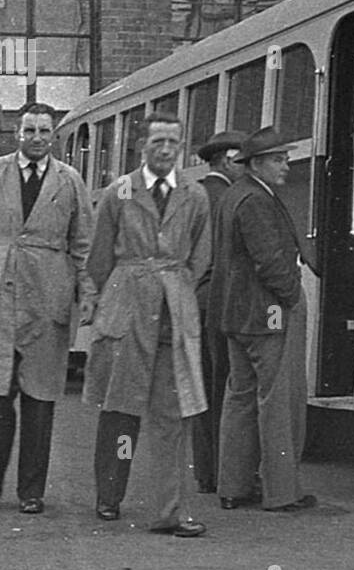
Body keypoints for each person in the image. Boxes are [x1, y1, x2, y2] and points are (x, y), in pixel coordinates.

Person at [0, 102, 95, 514]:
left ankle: (31, 491)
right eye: (30, 130)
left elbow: (83, 243)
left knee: (40, 398)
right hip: (0, 295)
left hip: (49, 294)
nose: (38, 138)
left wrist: (87, 292)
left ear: (53, 137)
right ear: (17, 133)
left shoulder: (70, 181)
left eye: (45, 131)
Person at [86, 111, 212, 537]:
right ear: (142, 146)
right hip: (128, 311)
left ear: (181, 147)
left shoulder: (195, 195)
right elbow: (99, 258)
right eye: (157, 141)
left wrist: (175, 288)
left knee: (173, 415)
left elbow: (201, 258)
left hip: (173, 317)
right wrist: (121, 295)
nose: (164, 150)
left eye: (172, 143)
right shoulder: (118, 193)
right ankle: (109, 495)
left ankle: (169, 512)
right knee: (120, 409)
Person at [210, 126, 315, 512]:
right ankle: (281, 492)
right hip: (268, 312)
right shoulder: (257, 199)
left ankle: (233, 488)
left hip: (237, 314)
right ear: (256, 163)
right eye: (277, 159)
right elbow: (270, 261)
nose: (285, 165)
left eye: (285, 157)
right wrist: (291, 297)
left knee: (240, 398)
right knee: (277, 401)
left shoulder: (234, 195)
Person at [190, 129, 246, 493]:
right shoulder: (229, 198)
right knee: (226, 387)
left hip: (197, 299)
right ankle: (225, 473)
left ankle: (205, 472)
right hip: (221, 300)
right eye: (243, 160)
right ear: (226, 159)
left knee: (203, 390)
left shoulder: (197, 194)